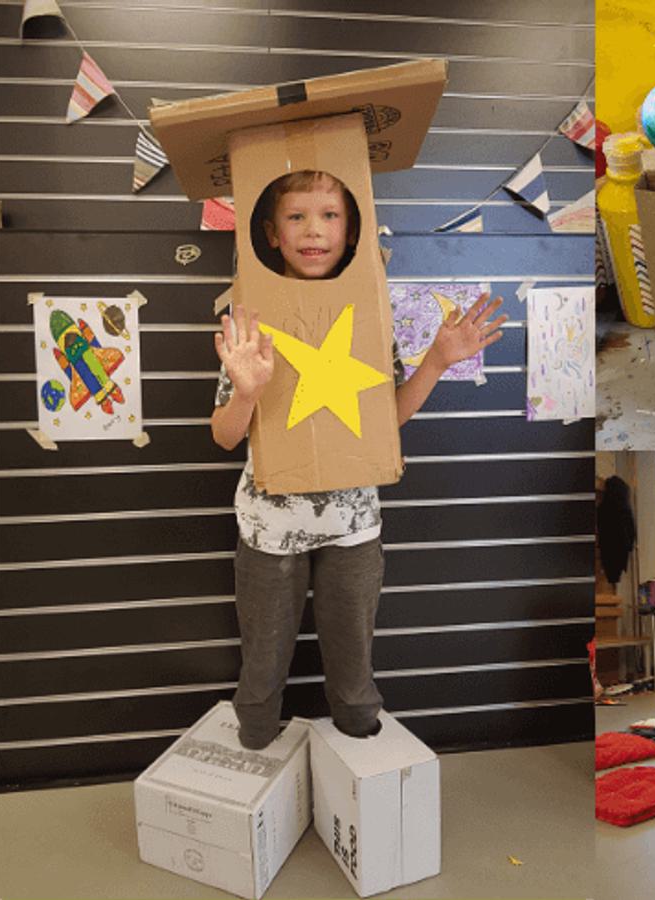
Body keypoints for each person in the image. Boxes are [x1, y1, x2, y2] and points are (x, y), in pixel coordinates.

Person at [211, 170, 505, 749]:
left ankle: (360, 764)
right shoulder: (251, 315)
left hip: (353, 527)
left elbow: (382, 424)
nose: (313, 231)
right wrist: (245, 391)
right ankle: (257, 761)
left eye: (329, 216)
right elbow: (224, 437)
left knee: (353, 668)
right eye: (297, 217)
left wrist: (437, 362)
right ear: (271, 232)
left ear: (352, 230)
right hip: (270, 529)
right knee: (263, 664)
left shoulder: (369, 313)